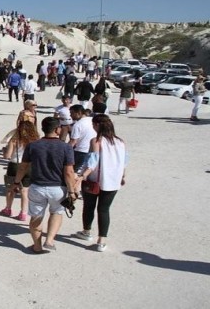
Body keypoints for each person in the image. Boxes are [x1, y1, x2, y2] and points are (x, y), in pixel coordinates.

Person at [14, 117, 77, 254]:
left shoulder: (33, 145)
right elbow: (69, 172)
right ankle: (49, 240)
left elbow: (23, 167)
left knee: (36, 217)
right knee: (56, 212)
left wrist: (16, 182)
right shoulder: (66, 147)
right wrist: (72, 191)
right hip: (58, 188)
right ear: (57, 130)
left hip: (37, 187)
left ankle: (37, 246)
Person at [74, 114, 128, 252]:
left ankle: (86, 231)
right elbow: (124, 162)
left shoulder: (96, 141)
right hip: (113, 181)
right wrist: (123, 176)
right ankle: (101, 240)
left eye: (93, 124)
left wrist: (82, 176)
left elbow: (92, 161)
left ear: (97, 125)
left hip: (95, 180)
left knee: (89, 206)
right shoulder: (120, 142)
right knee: (104, 210)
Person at [0, 121, 39, 221]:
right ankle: (23, 213)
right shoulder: (35, 141)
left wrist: (4, 151)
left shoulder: (14, 140)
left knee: (10, 188)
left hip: (15, 165)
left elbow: (7, 155)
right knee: (24, 191)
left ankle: (8, 208)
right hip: (29, 166)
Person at [69, 105, 97, 176]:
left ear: (78, 113)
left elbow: (73, 141)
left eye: (72, 113)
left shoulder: (77, 125)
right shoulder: (92, 120)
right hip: (93, 149)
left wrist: (65, 150)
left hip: (80, 151)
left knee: (75, 172)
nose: (70, 115)